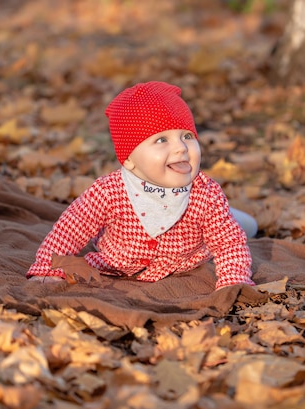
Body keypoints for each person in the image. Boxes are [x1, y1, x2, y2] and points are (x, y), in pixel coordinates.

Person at [27, 81, 257, 289]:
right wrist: (49, 268)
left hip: (188, 256)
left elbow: (228, 243)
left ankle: (237, 218)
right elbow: (71, 228)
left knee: (241, 228)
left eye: (187, 136)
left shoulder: (205, 192)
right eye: (161, 140)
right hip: (118, 260)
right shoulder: (109, 191)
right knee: (233, 222)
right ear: (129, 160)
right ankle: (236, 217)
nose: (181, 148)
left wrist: (233, 280)